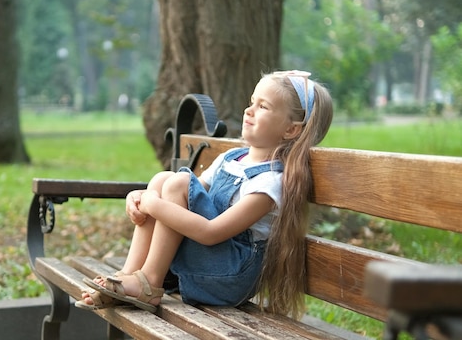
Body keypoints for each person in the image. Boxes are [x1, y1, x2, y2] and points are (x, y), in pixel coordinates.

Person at [76, 70, 334, 317]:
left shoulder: (269, 183)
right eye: (251, 102)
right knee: (165, 179)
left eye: (263, 107)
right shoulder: (232, 158)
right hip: (210, 263)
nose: (248, 110)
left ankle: (148, 284)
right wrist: (141, 196)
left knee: (176, 182)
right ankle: (128, 276)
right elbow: (176, 194)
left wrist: (152, 205)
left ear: (291, 130)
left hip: (229, 277)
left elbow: (210, 233)